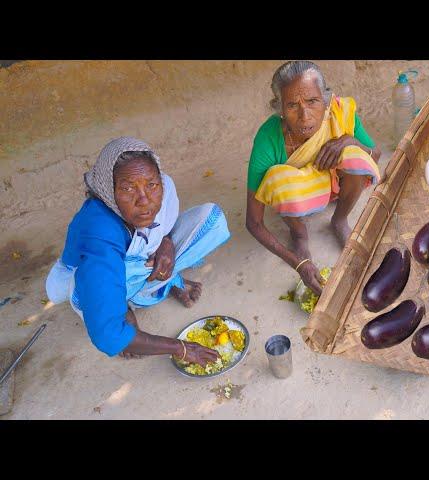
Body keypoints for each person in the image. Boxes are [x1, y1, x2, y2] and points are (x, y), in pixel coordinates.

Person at [45, 137, 230, 366]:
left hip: (137, 263)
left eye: (151, 185)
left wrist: (167, 242)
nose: (144, 200)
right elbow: (107, 335)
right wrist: (181, 348)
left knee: (209, 220)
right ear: (108, 190)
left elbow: (163, 224)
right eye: (127, 188)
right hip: (81, 280)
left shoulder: (164, 186)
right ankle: (121, 306)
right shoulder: (98, 228)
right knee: (98, 300)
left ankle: (163, 282)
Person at [245, 61, 381, 296]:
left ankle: (339, 220)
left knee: (355, 156)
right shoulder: (268, 137)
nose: (304, 115)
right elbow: (253, 222)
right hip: (299, 192)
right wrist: (297, 264)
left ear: (325, 100)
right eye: (292, 106)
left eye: (312, 101)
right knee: (277, 181)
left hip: (336, 185)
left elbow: (374, 154)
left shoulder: (339, 112)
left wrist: (349, 140)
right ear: (279, 109)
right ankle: (298, 232)